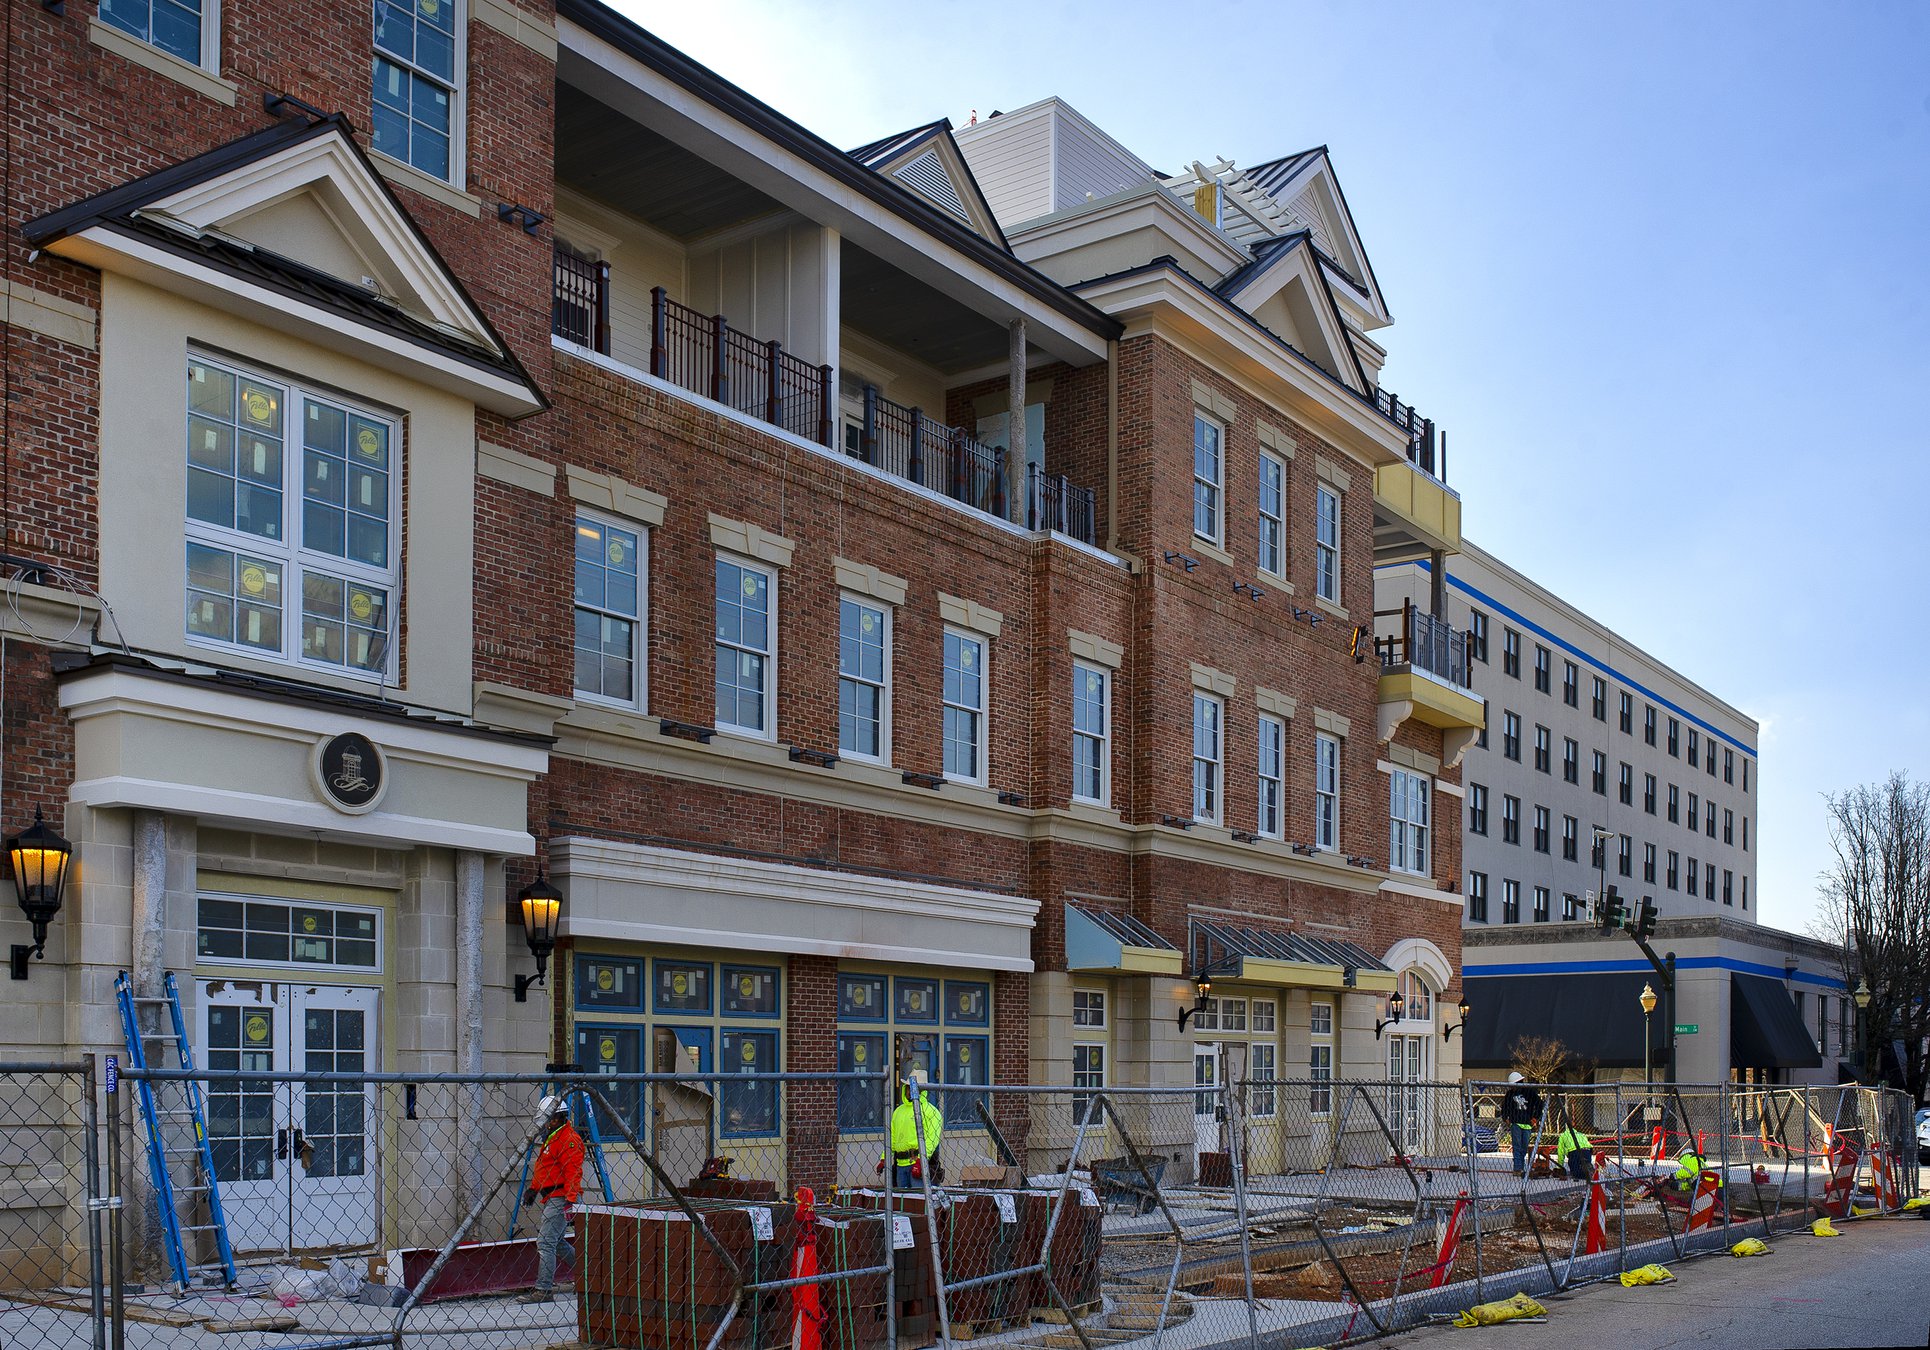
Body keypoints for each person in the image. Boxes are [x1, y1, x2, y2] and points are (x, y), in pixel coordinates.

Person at [516, 1095, 585, 1304]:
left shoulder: (568, 1140)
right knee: (557, 1243)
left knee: (545, 1242)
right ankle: (590, 1275)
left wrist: (571, 1202)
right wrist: (534, 1189)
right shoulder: (554, 1137)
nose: (545, 1123)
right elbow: (546, 1168)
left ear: (558, 1118)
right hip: (554, 1197)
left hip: (561, 1197)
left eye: (548, 1119)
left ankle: (544, 1290)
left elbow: (573, 1172)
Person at [876, 1071, 944, 1187]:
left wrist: (921, 1161)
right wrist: (884, 1158)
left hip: (918, 1163)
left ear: (922, 1090)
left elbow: (931, 1140)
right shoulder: (898, 1111)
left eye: (912, 1088)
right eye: (907, 1088)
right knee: (904, 1201)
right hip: (900, 1165)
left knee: (919, 1200)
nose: (909, 1091)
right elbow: (892, 1138)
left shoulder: (931, 1112)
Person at [1499, 1072, 1544, 1178]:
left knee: (1523, 1147)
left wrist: (1535, 1117)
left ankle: (1520, 1167)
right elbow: (1505, 1107)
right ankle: (1518, 1168)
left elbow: (1539, 1104)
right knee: (1517, 1146)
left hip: (1527, 1124)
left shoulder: (1530, 1093)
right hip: (1516, 1124)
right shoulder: (1510, 1095)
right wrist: (1506, 1118)